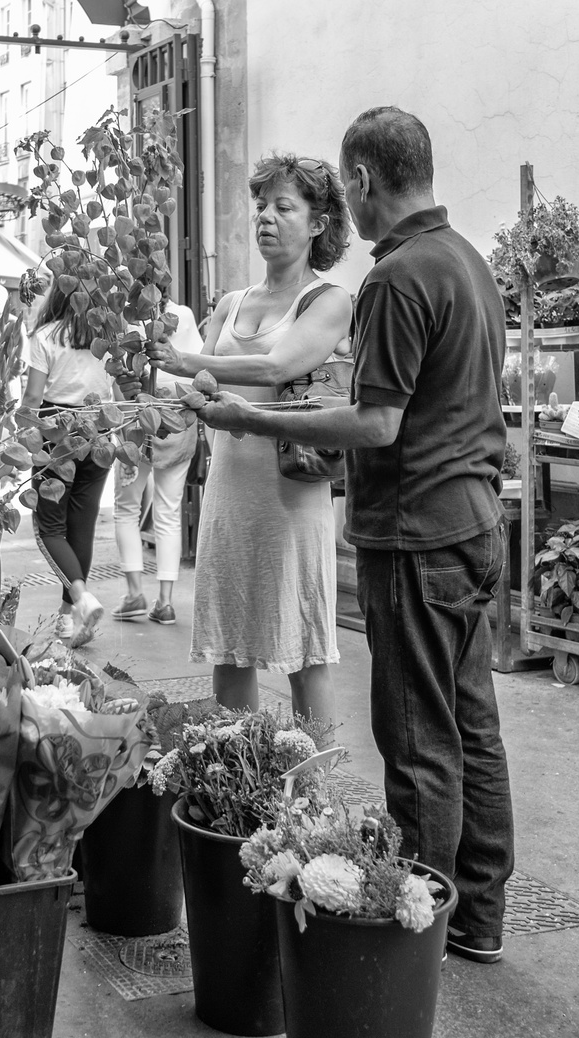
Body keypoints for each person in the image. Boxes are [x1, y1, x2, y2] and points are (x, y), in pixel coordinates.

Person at [192, 107, 514, 965]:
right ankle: (477, 917)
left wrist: (249, 421)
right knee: (470, 728)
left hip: (417, 536)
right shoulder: (469, 263)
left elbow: (377, 426)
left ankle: (413, 921)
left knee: (417, 742)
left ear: (363, 183)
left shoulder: (397, 276)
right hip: (476, 528)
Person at [150, 152, 353, 728]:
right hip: (229, 490)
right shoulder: (229, 305)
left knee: (305, 648)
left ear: (317, 224)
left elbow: (276, 365)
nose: (266, 217)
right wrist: (185, 393)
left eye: (283, 207)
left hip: (290, 499)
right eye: (261, 205)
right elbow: (201, 391)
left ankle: (313, 796)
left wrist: (188, 362)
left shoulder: (330, 301)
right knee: (228, 643)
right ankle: (239, 784)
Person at [19, 278, 115, 647]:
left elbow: (33, 394)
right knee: (82, 526)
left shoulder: (45, 336)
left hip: (56, 432)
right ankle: (68, 618)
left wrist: (20, 431)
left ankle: (80, 598)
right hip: (101, 432)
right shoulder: (106, 338)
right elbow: (118, 390)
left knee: (50, 528)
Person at [110, 301, 205, 626]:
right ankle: (165, 601)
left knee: (126, 509)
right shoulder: (183, 315)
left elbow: (118, 376)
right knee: (169, 511)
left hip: (136, 416)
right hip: (176, 416)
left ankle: (134, 593)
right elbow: (196, 367)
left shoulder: (123, 317)